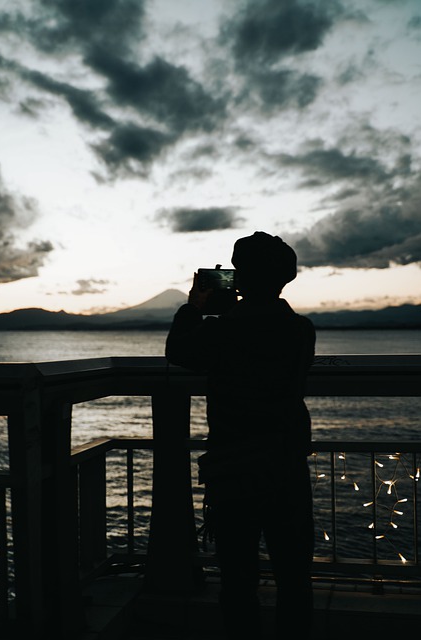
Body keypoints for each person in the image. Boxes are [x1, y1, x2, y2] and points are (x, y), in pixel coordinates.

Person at [165, 231, 316, 639]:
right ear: (285, 278)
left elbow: (178, 351)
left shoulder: (222, 332)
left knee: (237, 579)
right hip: (286, 464)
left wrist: (195, 307)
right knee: (294, 575)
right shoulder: (301, 330)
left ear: (242, 279)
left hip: (233, 468)